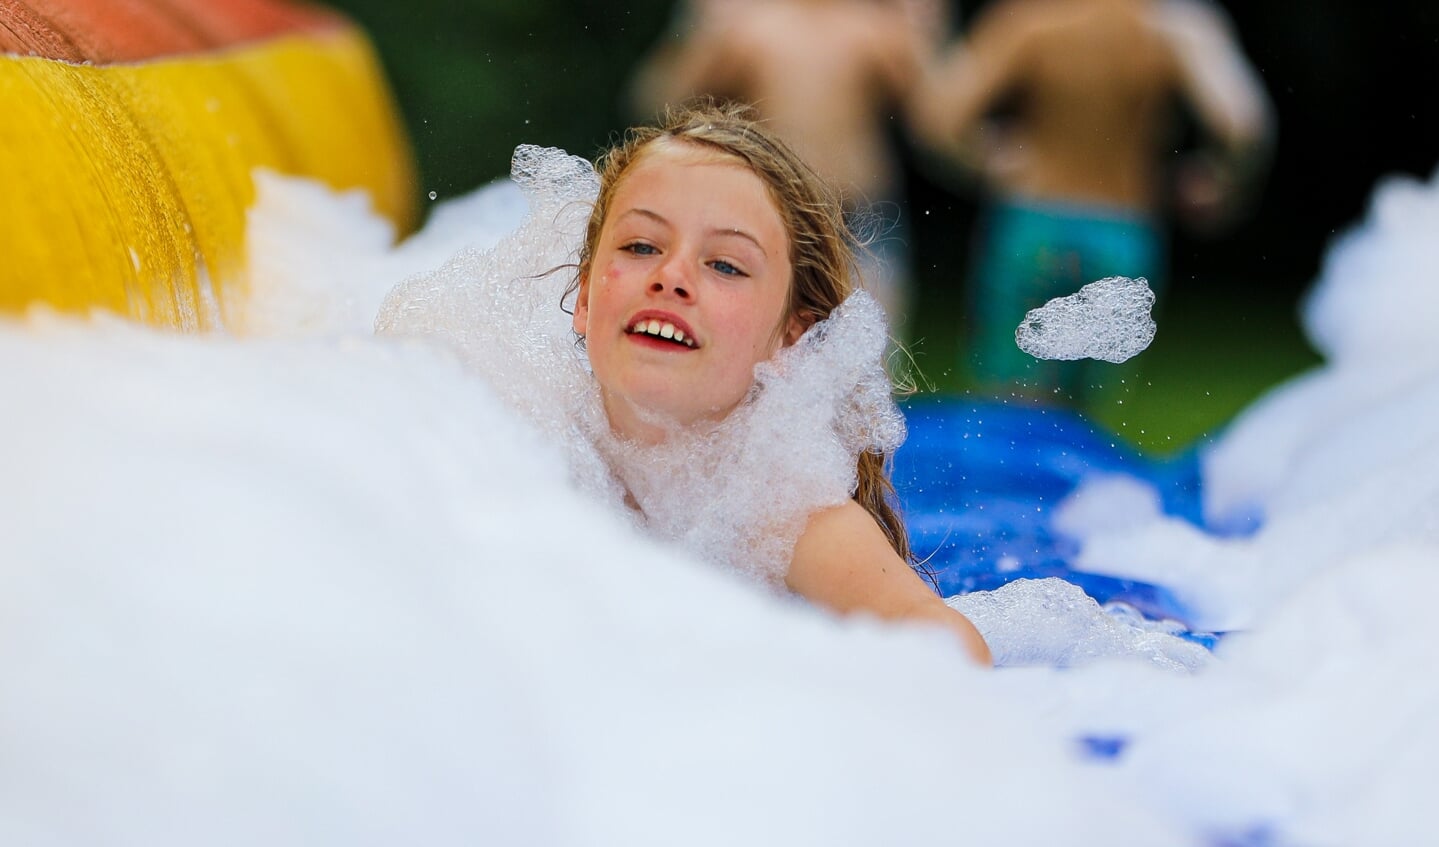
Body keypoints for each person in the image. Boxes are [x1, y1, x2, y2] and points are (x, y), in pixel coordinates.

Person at [568, 100, 992, 665]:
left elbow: (950, 648)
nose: (671, 277)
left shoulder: (778, 506)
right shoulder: (511, 423)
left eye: (725, 265)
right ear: (586, 294)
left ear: (792, 340)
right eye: (642, 246)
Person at [911, 0, 1274, 401]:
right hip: (1122, 232)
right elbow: (1244, 128)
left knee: (1010, 400)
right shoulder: (1173, 26)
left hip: (1034, 224)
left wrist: (985, 161)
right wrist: (1219, 179)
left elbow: (937, 116)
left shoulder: (1033, 21)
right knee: (1081, 416)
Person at [626, 0, 948, 345]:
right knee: (767, 357)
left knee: (868, 362)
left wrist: (923, 28)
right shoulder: (748, 26)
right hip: (773, 219)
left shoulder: (872, 27)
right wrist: (701, 28)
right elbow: (658, 103)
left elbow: (939, 120)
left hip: (860, 220)